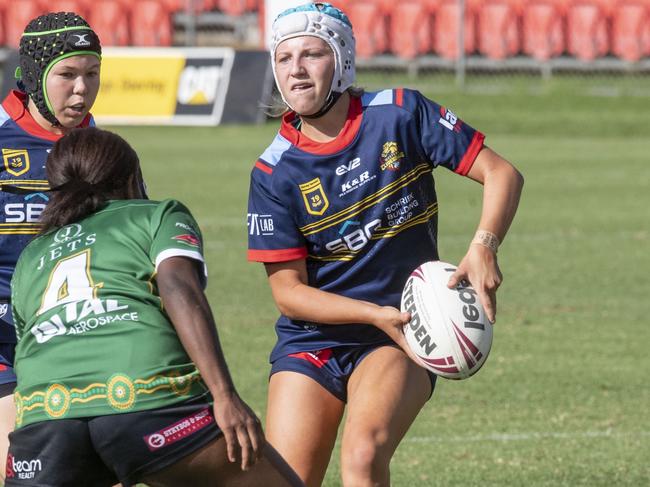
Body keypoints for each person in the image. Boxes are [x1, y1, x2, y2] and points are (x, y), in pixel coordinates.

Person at [246, 3, 524, 486]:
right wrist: (368, 312)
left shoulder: (400, 113)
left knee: (362, 456)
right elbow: (288, 292)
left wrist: (484, 245)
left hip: (399, 331)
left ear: (343, 60)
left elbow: (502, 173)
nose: (296, 69)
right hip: (314, 339)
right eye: (285, 58)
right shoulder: (273, 171)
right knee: (283, 480)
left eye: (312, 54)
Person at [6, 127, 303, 487]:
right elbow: (180, 290)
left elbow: (27, 346)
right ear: (132, 177)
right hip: (148, 402)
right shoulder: (157, 214)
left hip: (46, 417)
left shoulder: (31, 255)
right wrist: (225, 396)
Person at [0, 12, 106, 478]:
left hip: (77, 331)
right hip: (5, 341)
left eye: (92, 73)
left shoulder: (98, 144)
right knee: (26, 467)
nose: (81, 89)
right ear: (34, 75)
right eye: (67, 74)